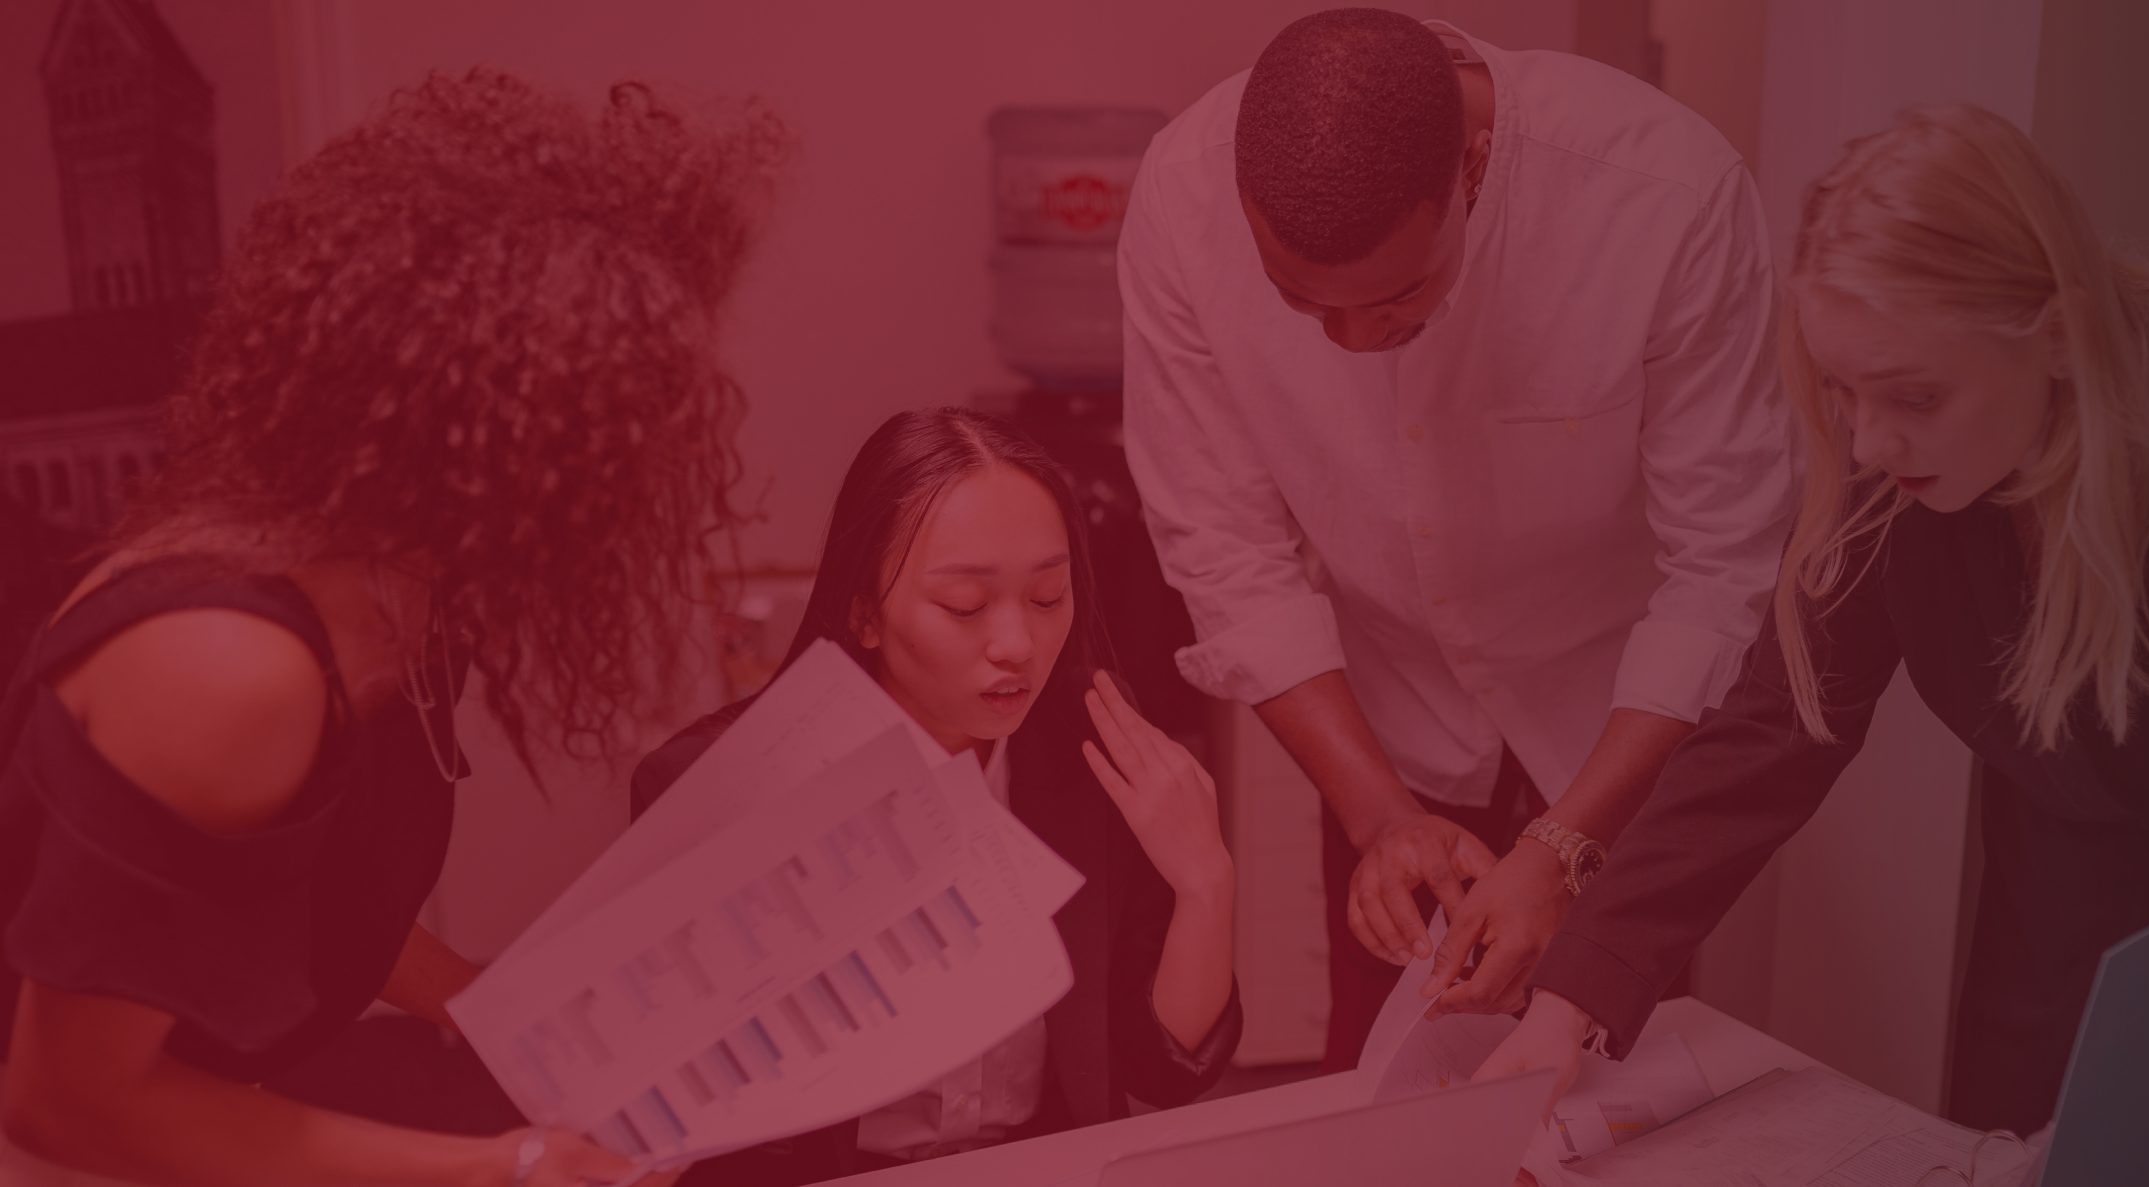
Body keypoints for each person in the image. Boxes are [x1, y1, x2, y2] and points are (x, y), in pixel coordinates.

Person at [1480, 104, 2149, 1185]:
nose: (1870, 441)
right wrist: (1576, 992)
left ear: (2055, 333)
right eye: (1843, 392)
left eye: (1914, 394)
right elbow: (1768, 737)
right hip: (2052, 957)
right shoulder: (1890, 491)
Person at [0, 71, 782, 1187]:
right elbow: (66, 1100)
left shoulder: (403, 584)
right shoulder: (229, 666)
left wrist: (488, 1005)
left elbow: (274, 894)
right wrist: (508, 1167)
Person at [1118, 7, 1793, 1069]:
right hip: (1387, 730)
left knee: (1609, 1091)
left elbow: (1722, 569)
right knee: (1385, 1081)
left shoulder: (1666, 196)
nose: (1353, 340)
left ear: (1472, 169)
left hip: (1620, 720)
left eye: (1397, 297)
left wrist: (1564, 845)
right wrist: (1379, 817)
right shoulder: (1181, 194)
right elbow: (1226, 551)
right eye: (1300, 302)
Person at [628, 407, 1242, 1185]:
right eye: (964, 606)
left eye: (1048, 596)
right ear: (864, 612)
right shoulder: (722, 785)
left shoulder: (1093, 751)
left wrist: (1205, 883)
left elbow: (1163, 1070)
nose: (1016, 644)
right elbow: (669, 1109)